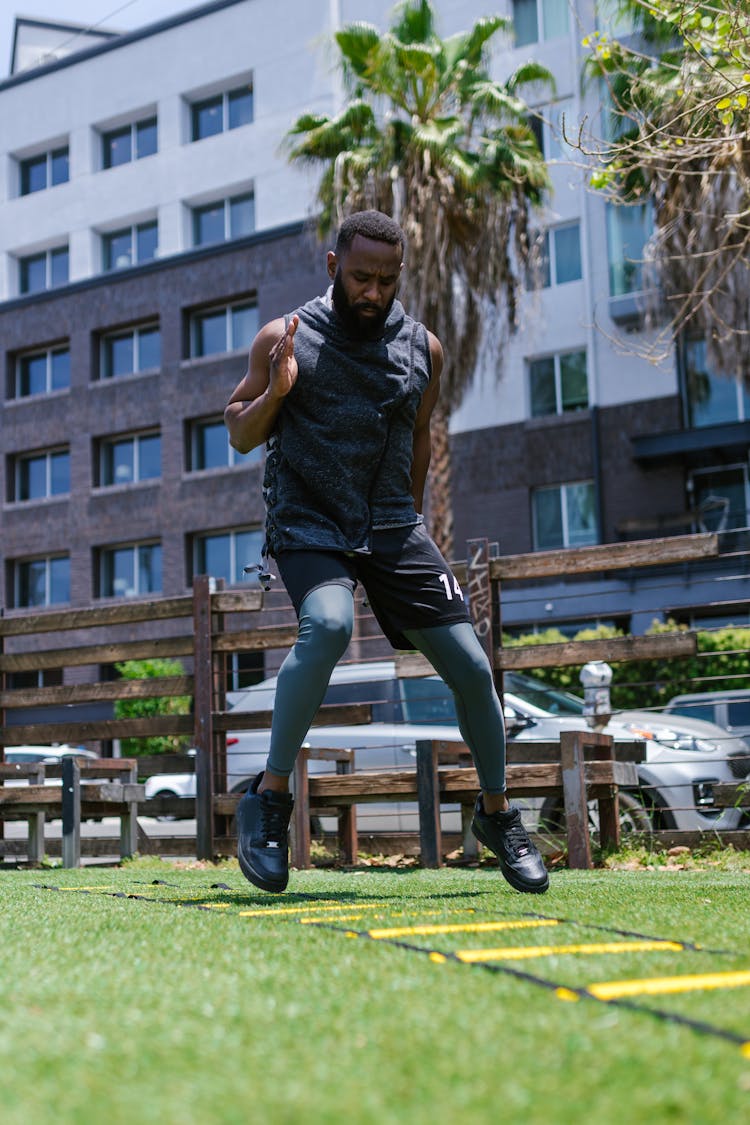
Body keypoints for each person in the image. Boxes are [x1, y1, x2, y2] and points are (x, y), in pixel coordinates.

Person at [224, 210, 548, 896]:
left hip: (394, 526)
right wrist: (278, 393)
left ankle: (497, 814)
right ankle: (269, 801)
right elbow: (239, 432)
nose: (374, 291)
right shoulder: (286, 336)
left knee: (470, 664)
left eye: (388, 280)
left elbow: (421, 436)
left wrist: (416, 525)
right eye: (363, 276)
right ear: (334, 265)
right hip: (309, 519)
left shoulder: (422, 348)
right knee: (330, 626)